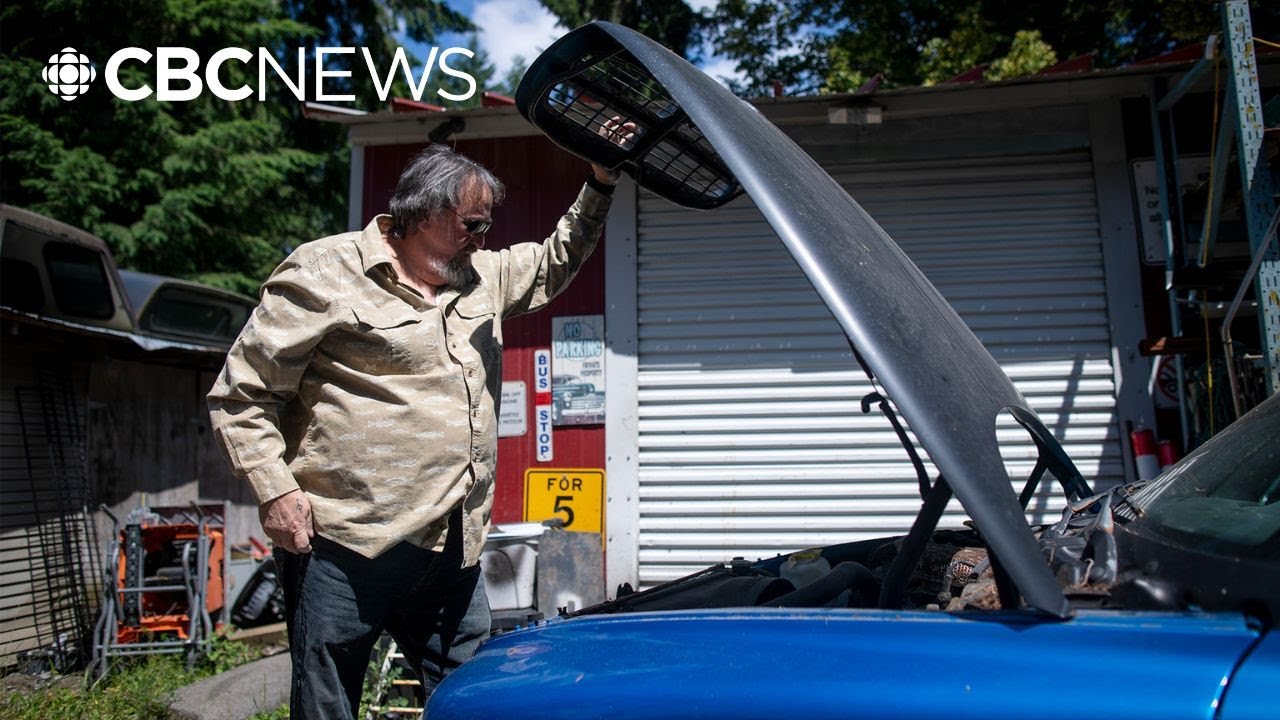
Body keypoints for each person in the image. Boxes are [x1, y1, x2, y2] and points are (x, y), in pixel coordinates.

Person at [207, 141, 624, 718]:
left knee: (475, 697)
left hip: (451, 544)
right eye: (473, 224)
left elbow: (559, 258)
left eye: (486, 226)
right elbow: (243, 393)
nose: (482, 239)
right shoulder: (326, 271)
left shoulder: (482, 277)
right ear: (424, 212)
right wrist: (274, 490)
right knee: (328, 703)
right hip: (348, 542)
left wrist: (601, 182)